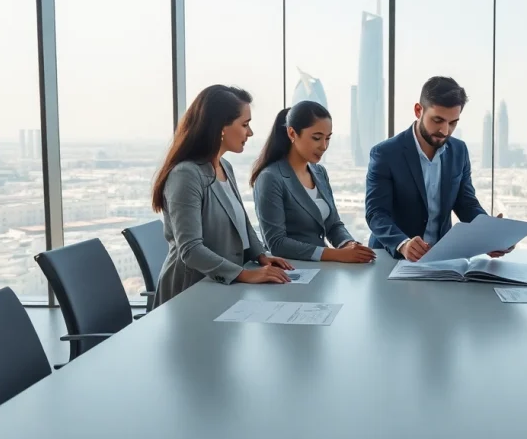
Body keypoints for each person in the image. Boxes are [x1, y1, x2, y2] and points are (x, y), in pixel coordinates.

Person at [151, 85, 294, 307]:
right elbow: (191, 250)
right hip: (189, 293)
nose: (250, 133)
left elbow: (242, 222)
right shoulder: (186, 174)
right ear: (220, 127)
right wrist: (245, 274)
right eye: (245, 124)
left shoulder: (224, 166)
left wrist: (260, 255)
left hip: (221, 288)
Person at [365, 76, 510, 261]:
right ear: (418, 110)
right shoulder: (385, 153)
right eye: (438, 120)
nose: (445, 130)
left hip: (440, 258)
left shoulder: (459, 151)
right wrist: (403, 244)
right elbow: (376, 213)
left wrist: (489, 234)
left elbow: (466, 204)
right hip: (392, 258)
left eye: (452, 123)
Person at [251, 101, 376, 263]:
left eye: (328, 138)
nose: (324, 146)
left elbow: (333, 225)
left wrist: (349, 244)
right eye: (316, 138)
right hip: (290, 272)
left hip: (321, 271)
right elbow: (276, 243)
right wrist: (337, 255)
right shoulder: (271, 177)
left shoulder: (319, 172)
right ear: (292, 134)